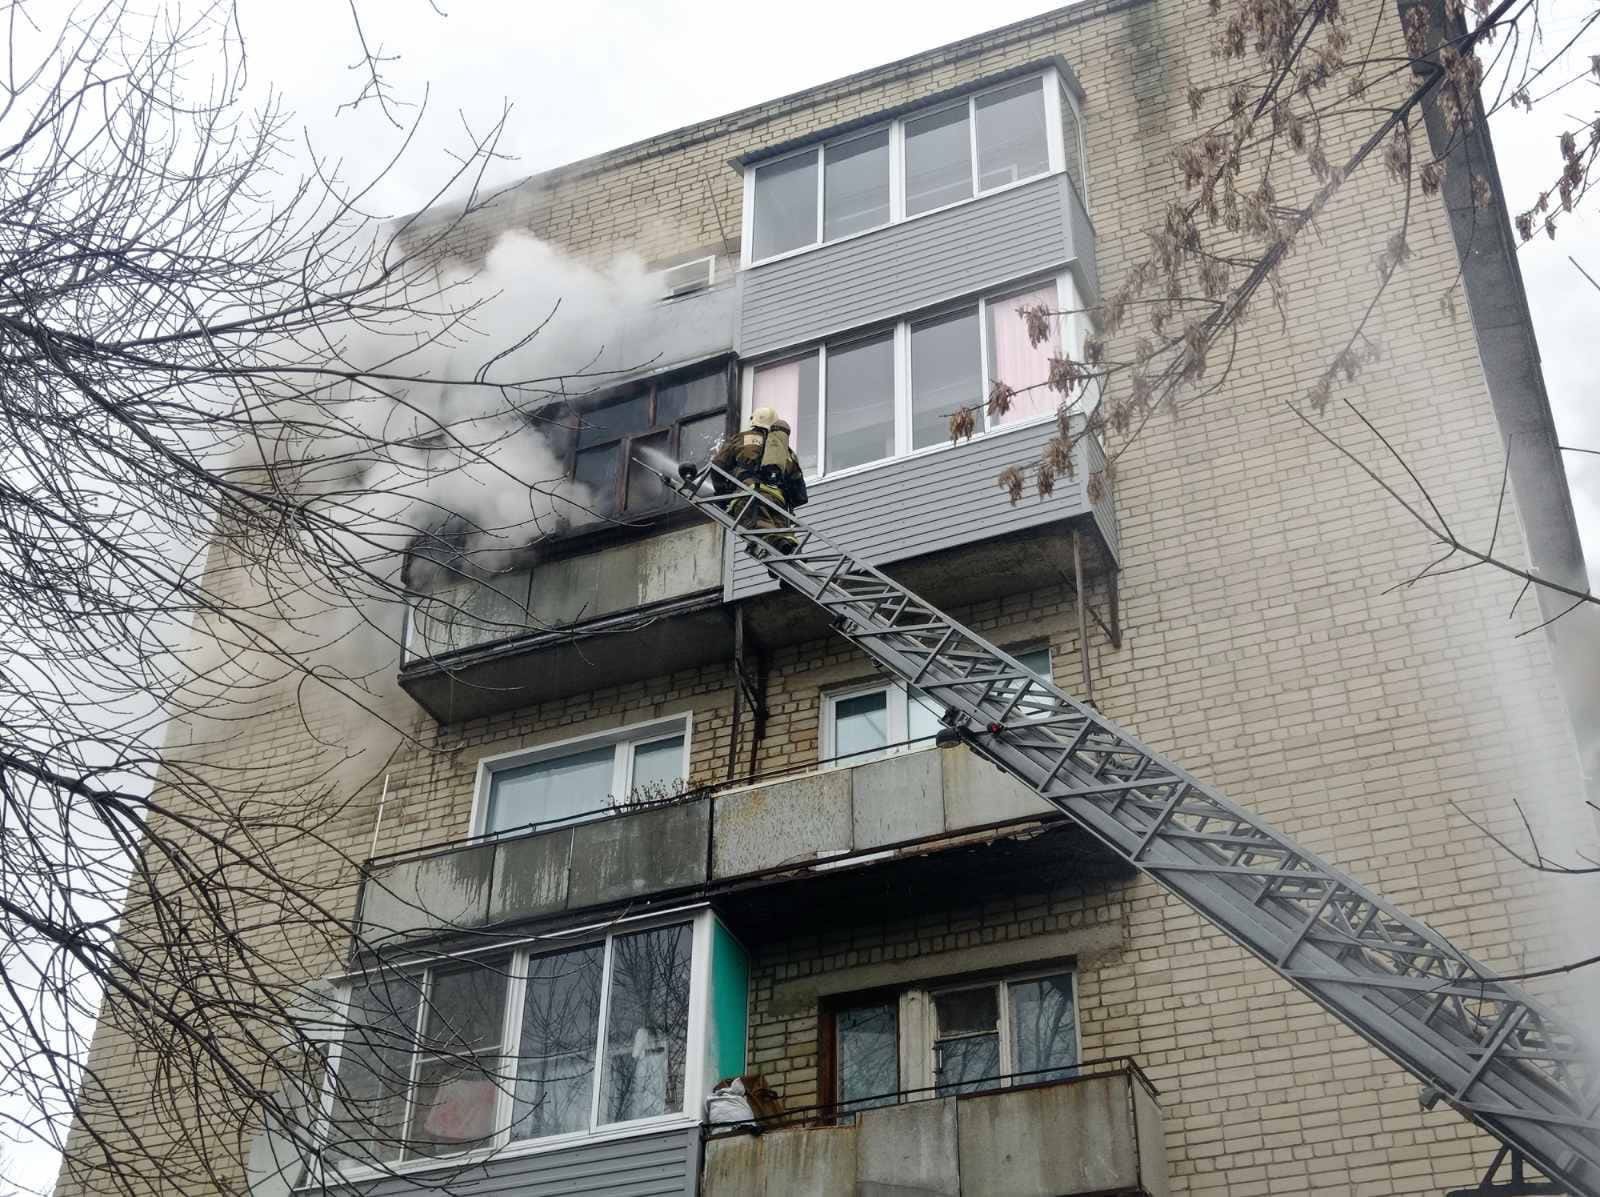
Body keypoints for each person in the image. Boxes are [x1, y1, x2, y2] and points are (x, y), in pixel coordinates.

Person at [710, 406, 808, 554]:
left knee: (761, 528)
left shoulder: (741, 438)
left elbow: (718, 465)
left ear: (754, 421)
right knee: (782, 534)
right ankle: (792, 555)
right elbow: (799, 494)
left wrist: (722, 494)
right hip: (778, 503)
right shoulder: (787, 453)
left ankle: (779, 549)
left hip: (751, 495)